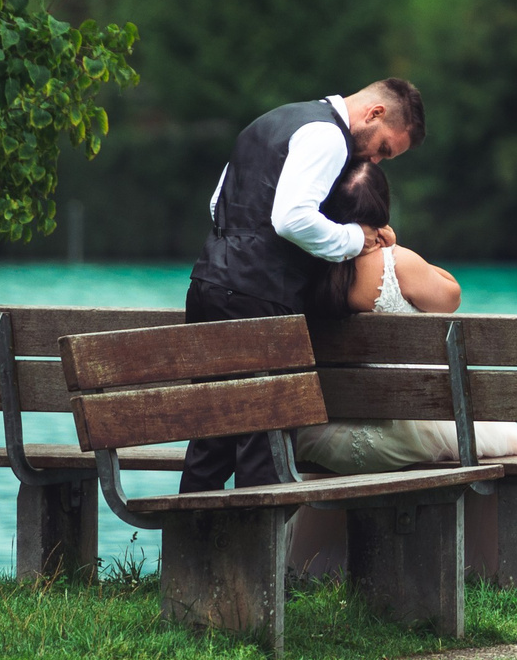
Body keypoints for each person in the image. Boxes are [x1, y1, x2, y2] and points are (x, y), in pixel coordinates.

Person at [285, 158, 517, 588]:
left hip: (321, 443)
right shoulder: (395, 262)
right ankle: (496, 575)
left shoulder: (304, 267)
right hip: (399, 439)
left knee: (484, 447)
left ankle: (314, 573)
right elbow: (451, 294)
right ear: (381, 216)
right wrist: (395, 245)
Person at [179, 79, 425, 494]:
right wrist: (355, 240)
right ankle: (260, 560)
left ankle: (188, 559)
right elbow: (291, 219)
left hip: (207, 283)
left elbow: (217, 203)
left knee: (212, 438)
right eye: (384, 149)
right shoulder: (328, 136)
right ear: (375, 113)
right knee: (267, 447)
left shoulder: (274, 120)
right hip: (259, 297)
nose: (375, 161)